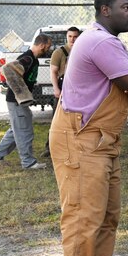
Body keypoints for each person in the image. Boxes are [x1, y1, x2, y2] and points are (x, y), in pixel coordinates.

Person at [51, 0, 128, 256]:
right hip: (81, 138)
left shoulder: (104, 41)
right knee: (82, 216)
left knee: (107, 214)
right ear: (105, 10)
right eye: (126, 6)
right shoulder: (101, 42)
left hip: (102, 139)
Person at [0, 33, 52, 170]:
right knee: (24, 131)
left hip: (17, 102)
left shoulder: (33, 59)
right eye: (47, 46)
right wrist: (21, 93)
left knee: (17, 129)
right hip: (16, 101)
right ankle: (28, 162)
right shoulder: (27, 58)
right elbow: (8, 69)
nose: (48, 49)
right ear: (41, 44)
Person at [43, 26, 81, 158]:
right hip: (63, 86)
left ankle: (74, 145)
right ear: (67, 37)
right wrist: (56, 89)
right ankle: (50, 146)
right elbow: (53, 71)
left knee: (76, 118)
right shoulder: (59, 52)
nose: (72, 39)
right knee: (56, 119)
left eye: (75, 36)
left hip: (77, 88)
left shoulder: (82, 51)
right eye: (70, 36)